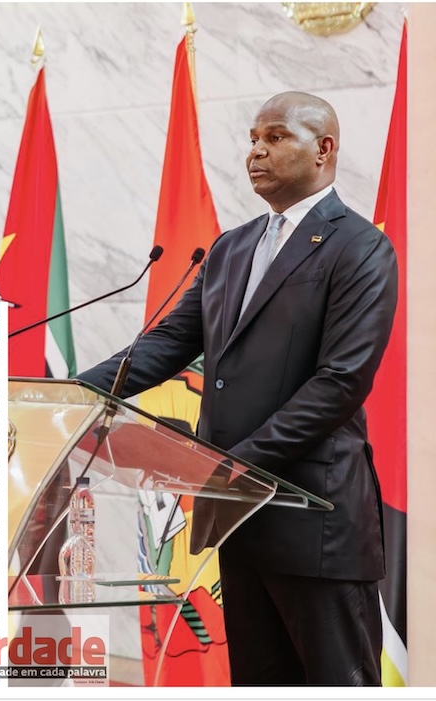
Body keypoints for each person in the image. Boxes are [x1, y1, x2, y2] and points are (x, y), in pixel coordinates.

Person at [75, 91, 398, 686]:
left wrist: (232, 466)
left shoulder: (360, 247)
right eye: (253, 139)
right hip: (239, 518)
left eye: (276, 137)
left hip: (314, 521)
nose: (256, 152)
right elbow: (166, 344)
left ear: (324, 149)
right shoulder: (232, 246)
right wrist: (75, 393)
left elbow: (340, 381)